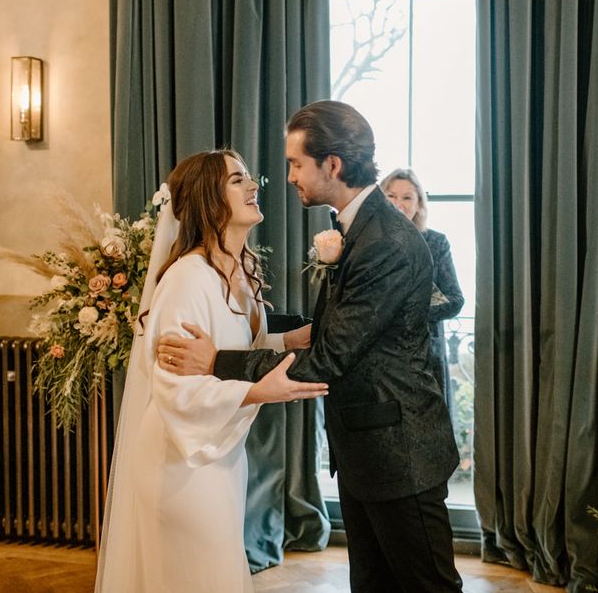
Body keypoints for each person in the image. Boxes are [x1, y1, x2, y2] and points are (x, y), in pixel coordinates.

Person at [156, 101, 463, 592]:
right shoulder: (361, 229)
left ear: (332, 165)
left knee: (427, 585)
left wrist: (217, 361)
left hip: (398, 454)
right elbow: (341, 330)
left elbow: (330, 359)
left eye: (296, 164)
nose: (289, 176)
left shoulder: (384, 240)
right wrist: (296, 332)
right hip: (369, 449)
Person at [94, 149, 328, 592]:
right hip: (180, 461)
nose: (253, 186)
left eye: (247, 177)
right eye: (237, 180)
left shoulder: (241, 272)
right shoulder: (187, 278)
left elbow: (229, 350)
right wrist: (260, 391)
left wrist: (287, 342)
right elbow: (174, 388)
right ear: (208, 199)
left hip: (221, 455)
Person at [380, 168, 464, 412]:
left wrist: (407, 312)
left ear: (419, 203)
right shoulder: (367, 243)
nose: (399, 204)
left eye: (407, 197)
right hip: (380, 357)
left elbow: (455, 300)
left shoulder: (436, 242)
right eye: (391, 196)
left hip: (425, 356)